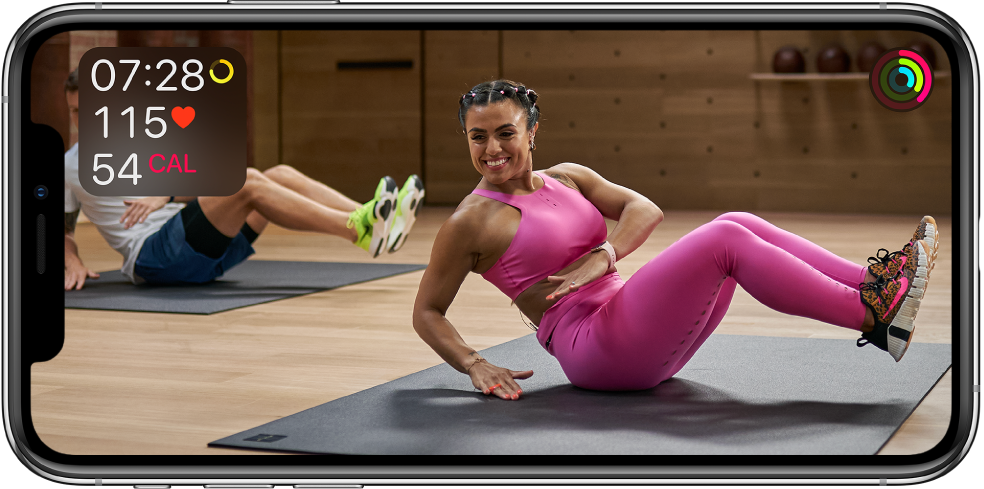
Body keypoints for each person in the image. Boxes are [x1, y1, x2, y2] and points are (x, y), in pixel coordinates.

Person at [411, 79, 939, 400]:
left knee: (738, 219)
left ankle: (876, 283)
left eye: (506, 132)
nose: (492, 148)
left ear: (532, 132)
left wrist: (606, 255)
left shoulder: (567, 177)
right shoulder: (471, 221)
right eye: (478, 136)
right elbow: (427, 311)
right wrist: (473, 363)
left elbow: (646, 209)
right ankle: (876, 318)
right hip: (596, 348)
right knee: (725, 239)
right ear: (467, 139)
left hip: (631, 324)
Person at [64, 68, 425, 289]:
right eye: (76, 111)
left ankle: (379, 218)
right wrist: (73, 259)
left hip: (205, 249)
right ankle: (358, 230)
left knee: (279, 175)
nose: (85, 118)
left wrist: (168, 195)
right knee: (248, 181)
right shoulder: (69, 166)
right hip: (156, 258)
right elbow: (59, 227)